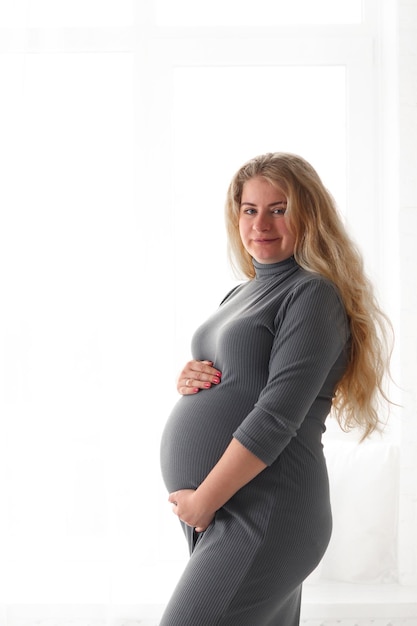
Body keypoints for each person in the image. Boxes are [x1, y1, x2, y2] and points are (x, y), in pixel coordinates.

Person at [159, 152, 392, 625]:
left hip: (266, 508)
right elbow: (241, 375)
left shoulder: (312, 293)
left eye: (278, 209)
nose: (260, 223)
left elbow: (277, 415)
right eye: (250, 209)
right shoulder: (244, 290)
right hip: (231, 505)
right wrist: (193, 376)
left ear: (308, 215)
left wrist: (204, 499)